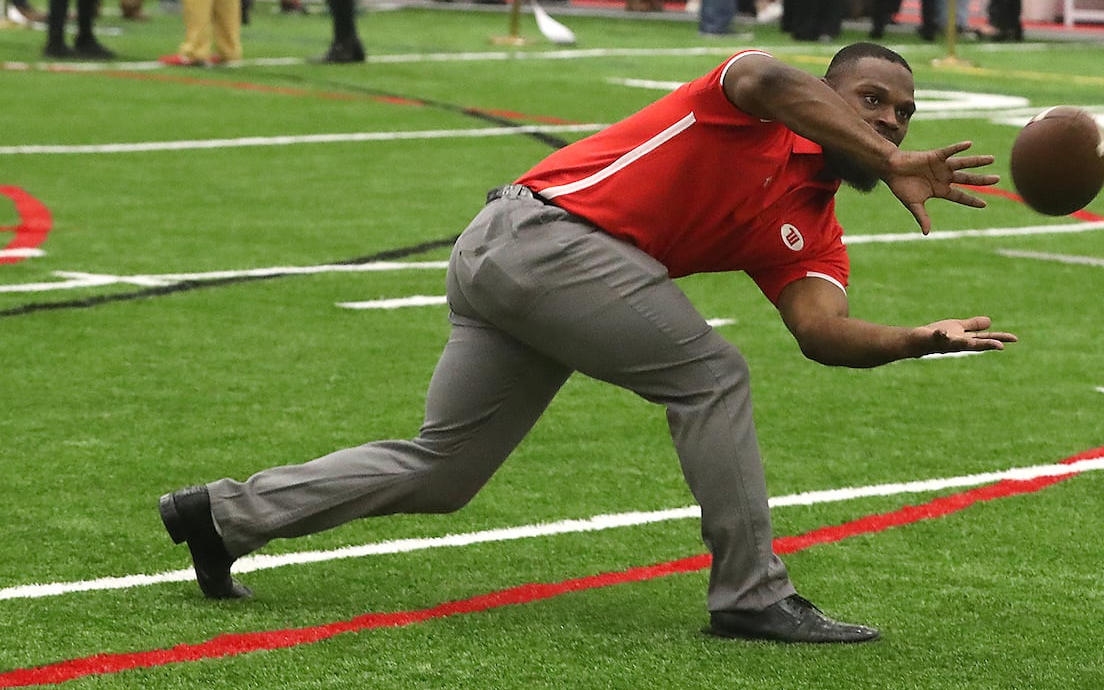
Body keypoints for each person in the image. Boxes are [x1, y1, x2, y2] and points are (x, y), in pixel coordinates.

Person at [157, 41, 1017, 643]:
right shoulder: (752, 107)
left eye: (903, 115)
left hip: (525, 264)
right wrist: (873, 147)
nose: (892, 125)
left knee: (446, 470)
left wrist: (912, 339)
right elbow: (758, 72)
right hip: (541, 241)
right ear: (827, 97)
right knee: (711, 377)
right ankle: (752, 596)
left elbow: (820, 333)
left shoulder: (813, 227)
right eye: (872, 102)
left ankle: (223, 514)